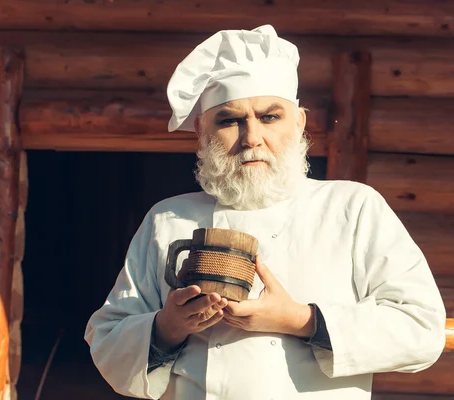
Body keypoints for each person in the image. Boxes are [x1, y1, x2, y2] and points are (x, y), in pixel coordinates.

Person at [84, 25, 446, 399]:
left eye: (269, 117)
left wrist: (301, 320)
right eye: (228, 120)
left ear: (300, 122)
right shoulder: (168, 218)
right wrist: (167, 327)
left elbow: (421, 328)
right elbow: (108, 339)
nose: (251, 137)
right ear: (201, 131)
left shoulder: (353, 207)